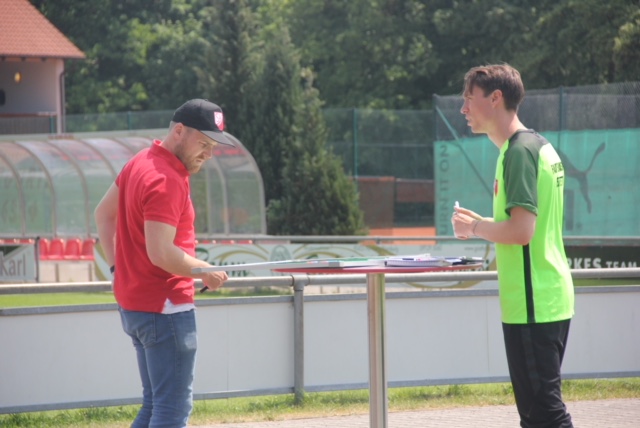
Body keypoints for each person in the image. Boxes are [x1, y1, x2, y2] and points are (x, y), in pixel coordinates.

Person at [94, 99, 233, 427]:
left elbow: (102, 214)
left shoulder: (140, 161)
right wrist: (205, 270)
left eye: (213, 147)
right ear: (179, 131)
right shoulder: (167, 179)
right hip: (165, 309)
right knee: (171, 411)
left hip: (136, 306)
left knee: (155, 405)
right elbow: (161, 253)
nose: (208, 155)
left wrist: (116, 270)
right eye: (203, 144)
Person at [451, 64, 575, 428]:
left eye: (469, 98)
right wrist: (482, 224)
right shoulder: (537, 146)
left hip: (533, 305)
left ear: (495, 98)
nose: (463, 108)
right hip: (547, 299)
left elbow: (522, 231)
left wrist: (475, 227)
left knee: (545, 417)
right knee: (537, 417)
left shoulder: (518, 153)